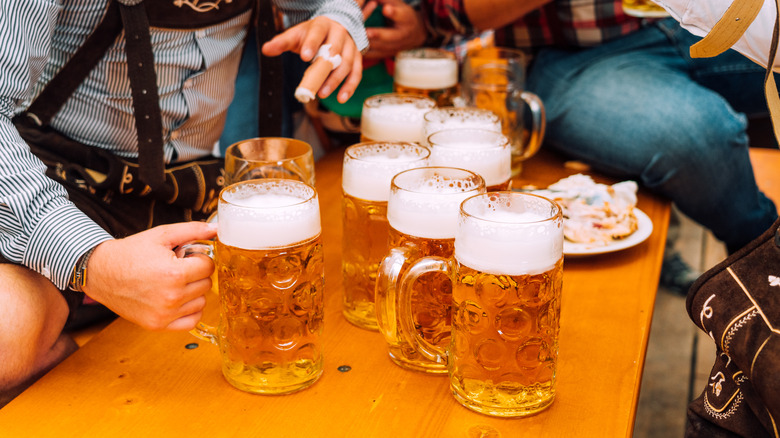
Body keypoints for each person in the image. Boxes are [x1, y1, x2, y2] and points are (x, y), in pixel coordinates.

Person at [0, 0, 367, 406]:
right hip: (61, 190)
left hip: (190, 196)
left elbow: (319, 5)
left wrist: (338, 20)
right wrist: (93, 260)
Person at [415, 0, 778, 292]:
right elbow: (444, 12)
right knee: (700, 138)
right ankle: (766, 270)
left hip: (676, 21)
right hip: (567, 56)